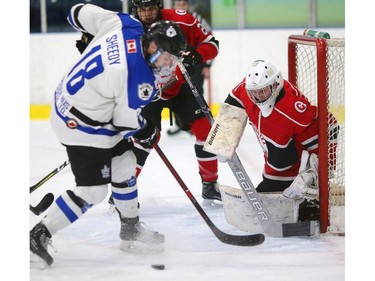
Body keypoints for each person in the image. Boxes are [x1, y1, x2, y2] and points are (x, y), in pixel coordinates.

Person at [30, 3, 187, 268]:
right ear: (152, 47)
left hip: (70, 99)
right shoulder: (141, 81)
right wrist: (146, 128)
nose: (169, 65)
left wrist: (91, 37)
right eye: (167, 58)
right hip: (81, 124)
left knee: (125, 162)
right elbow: (125, 123)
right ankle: (37, 237)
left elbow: (76, 11)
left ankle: (130, 230)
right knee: (92, 191)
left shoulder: (126, 25)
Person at [204, 60, 339, 221]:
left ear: (275, 85)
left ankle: (311, 203)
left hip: (293, 175)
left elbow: (330, 128)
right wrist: (223, 141)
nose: (258, 97)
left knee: (300, 216)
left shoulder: (291, 109)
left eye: (263, 91)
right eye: (254, 92)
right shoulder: (247, 90)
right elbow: (235, 101)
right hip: (273, 170)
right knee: (257, 212)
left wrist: (311, 177)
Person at [129, 0, 221, 201]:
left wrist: (196, 55)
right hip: (147, 92)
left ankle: (210, 184)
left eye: (151, 7)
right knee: (144, 139)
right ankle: (123, 191)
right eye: (142, 9)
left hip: (180, 84)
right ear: (135, 10)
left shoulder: (182, 20)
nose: (147, 13)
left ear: (159, 6)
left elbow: (212, 44)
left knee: (206, 129)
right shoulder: (126, 30)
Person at [167, 0, 213, 136]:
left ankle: (198, 122)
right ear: (174, 6)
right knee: (175, 91)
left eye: (183, 4)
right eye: (178, 4)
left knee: (196, 90)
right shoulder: (168, 20)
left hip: (195, 63)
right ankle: (179, 124)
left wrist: (207, 65)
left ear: (187, 5)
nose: (181, 7)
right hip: (173, 63)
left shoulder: (196, 19)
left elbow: (210, 41)